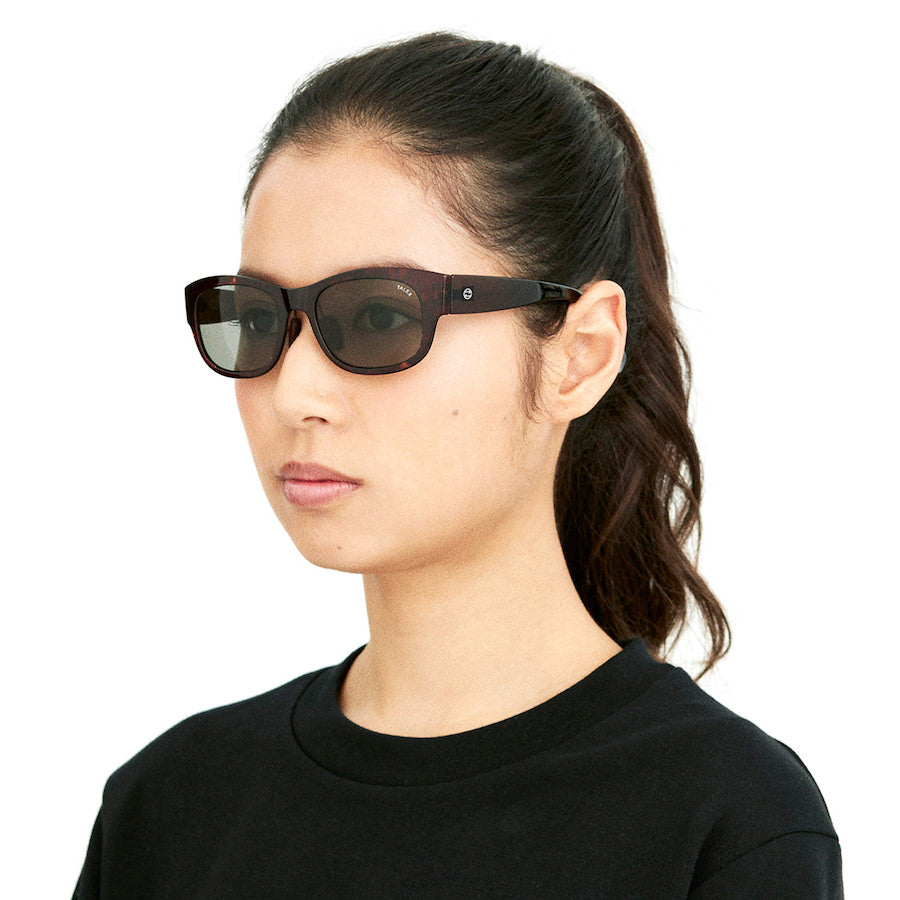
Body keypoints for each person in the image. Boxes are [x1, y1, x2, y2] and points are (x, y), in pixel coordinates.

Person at [73, 33, 843, 898]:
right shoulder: (170, 808)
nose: (292, 392)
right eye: (256, 319)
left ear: (580, 354)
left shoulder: (728, 819)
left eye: (378, 316)